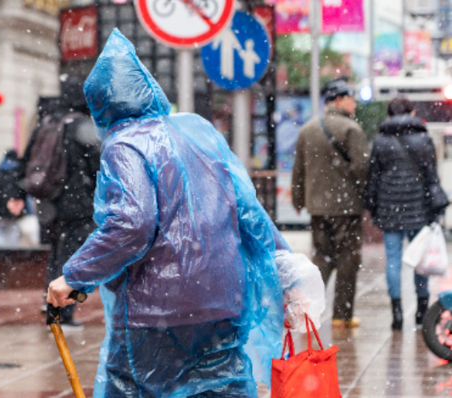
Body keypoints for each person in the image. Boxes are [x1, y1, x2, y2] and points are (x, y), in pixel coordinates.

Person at [47, 29, 325, 397]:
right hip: (223, 299)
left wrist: (74, 277)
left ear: (103, 107)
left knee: (131, 387)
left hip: (156, 310)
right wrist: (285, 266)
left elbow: (131, 224)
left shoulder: (124, 144)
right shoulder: (198, 132)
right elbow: (248, 209)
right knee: (222, 387)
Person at [20, 79, 101, 329]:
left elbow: (25, 163)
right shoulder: (82, 127)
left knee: (56, 255)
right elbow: (98, 167)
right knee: (71, 260)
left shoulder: (47, 124)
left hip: (49, 203)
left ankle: (52, 310)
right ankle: (61, 315)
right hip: (77, 205)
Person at [291, 77, 370, 328]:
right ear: (338, 100)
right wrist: (364, 194)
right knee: (347, 259)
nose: (354, 103)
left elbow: (298, 170)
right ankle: (341, 315)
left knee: (321, 258)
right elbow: (361, 168)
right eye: (351, 98)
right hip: (346, 207)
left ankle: (308, 311)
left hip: (317, 206)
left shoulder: (308, 129)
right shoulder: (351, 130)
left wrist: (298, 198)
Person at [365, 96, 446, 330]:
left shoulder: (380, 141)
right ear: (411, 112)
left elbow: (373, 177)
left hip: (390, 208)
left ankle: (397, 313)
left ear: (389, 115)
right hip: (418, 208)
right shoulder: (423, 139)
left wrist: (373, 205)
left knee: (393, 260)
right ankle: (421, 312)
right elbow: (432, 176)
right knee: (420, 260)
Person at [0, 150, 26, 247]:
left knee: (0, 230)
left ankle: (1, 254)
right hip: (15, 209)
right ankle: (11, 255)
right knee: (13, 231)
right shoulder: (19, 172)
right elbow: (24, 191)